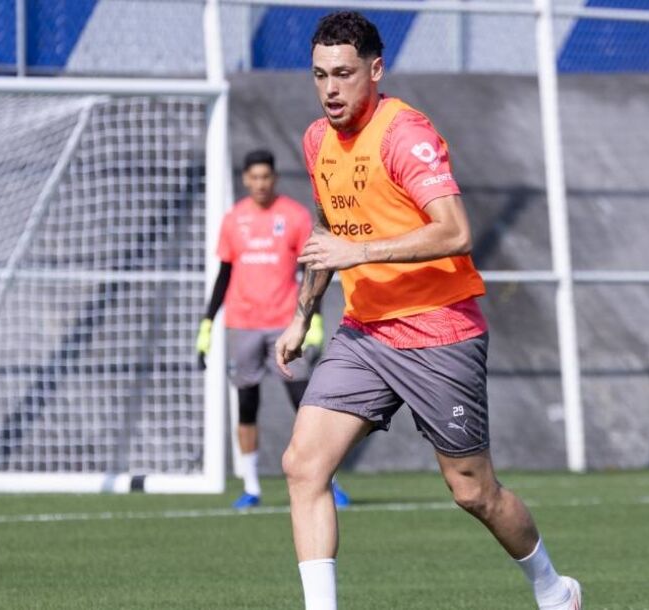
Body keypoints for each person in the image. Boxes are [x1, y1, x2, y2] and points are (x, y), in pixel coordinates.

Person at [274, 12, 581, 610]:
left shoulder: (404, 134)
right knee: (302, 465)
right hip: (365, 333)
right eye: (319, 76)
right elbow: (328, 230)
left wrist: (356, 250)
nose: (331, 89)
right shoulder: (317, 140)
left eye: (343, 74)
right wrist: (302, 314)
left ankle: (553, 589)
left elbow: (456, 231)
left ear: (375, 69)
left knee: (473, 492)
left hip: (439, 332)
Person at [198, 148, 349, 510]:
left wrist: (312, 321)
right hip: (243, 324)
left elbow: (314, 272)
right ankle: (251, 487)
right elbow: (225, 274)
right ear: (246, 180)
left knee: (307, 405)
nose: (260, 183)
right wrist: (207, 322)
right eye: (254, 177)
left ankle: (329, 481)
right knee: (247, 405)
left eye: (266, 177)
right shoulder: (233, 220)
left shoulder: (294, 217)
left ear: (274, 178)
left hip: (286, 327)